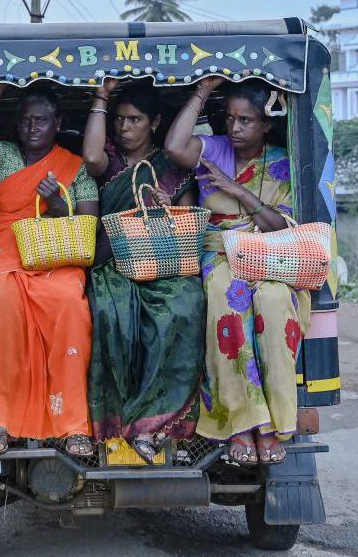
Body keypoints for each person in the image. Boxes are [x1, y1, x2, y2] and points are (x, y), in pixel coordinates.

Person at [164, 77, 310, 465]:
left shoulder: (281, 162)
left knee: (276, 301)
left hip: (270, 256)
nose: (235, 128)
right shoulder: (213, 149)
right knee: (230, 305)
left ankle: (276, 424)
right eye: (229, 119)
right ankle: (243, 425)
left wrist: (238, 191)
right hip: (219, 254)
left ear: (266, 124)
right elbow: (174, 147)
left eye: (246, 120)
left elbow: (281, 228)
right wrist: (202, 92)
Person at [0, 83, 99, 458]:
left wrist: (57, 205)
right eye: (25, 121)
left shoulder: (75, 167)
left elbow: (88, 221)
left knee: (70, 302)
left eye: (41, 120)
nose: (32, 127)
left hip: (54, 254)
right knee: (0, 297)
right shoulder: (3, 155)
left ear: (58, 123)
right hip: (4, 250)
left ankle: (72, 425)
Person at [80, 79, 206, 463]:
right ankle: (114, 424)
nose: (124, 127)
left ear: (155, 122)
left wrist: (165, 204)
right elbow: (89, 156)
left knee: (186, 306)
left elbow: (187, 221)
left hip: (165, 263)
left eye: (134, 120)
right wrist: (101, 98)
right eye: (119, 119)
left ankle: (157, 423)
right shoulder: (110, 161)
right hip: (113, 262)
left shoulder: (173, 168)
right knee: (108, 312)